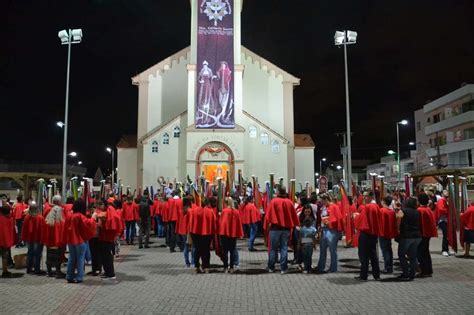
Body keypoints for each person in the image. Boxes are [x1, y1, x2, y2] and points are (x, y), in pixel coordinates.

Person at [264, 187, 300, 274]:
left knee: (273, 249)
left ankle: (271, 267)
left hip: (275, 229)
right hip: (286, 229)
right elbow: (294, 216)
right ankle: (283, 268)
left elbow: (268, 216)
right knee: (284, 248)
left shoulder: (274, 201)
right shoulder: (289, 202)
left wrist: (266, 227)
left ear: (278, 192)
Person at [64, 199, 97, 283]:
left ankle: (69, 276)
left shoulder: (69, 215)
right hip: (80, 240)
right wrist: (93, 218)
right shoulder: (79, 216)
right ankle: (79, 277)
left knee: (71, 258)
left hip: (71, 240)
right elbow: (88, 224)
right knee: (80, 259)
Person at [354, 191, 382, 281]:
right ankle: (376, 274)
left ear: (370, 196)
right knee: (373, 255)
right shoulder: (376, 206)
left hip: (366, 234)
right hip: (373, 234)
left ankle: (364, 275)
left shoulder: (368, 207)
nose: (364, 198)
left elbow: (363, 220)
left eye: (366, 196)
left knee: (364, 255)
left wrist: (355, 217)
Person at [316, 194, 343, 273]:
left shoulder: (334, 207)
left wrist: (329, 222)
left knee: (332, 250)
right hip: (324, 229)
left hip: (332, 230)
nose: (322, 203)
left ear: (326, 199)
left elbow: (338, 218)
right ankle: (321, 267)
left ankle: (333, 267)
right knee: (322, 249)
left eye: (323, 201)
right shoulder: (324, 207)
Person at [188, 197, 217, 274]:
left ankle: (196, 267)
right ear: (208, 203)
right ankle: (206, 267)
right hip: (207, 233)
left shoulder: (195, 211)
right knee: (206, 250)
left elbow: (191, 222)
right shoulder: (210, 212)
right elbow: (213, 223)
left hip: (196, 233)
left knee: (197, 250)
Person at [396, 197, 422, 281]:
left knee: (401, 254)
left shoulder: (403, 211)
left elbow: (398, 221)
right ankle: (412, 273)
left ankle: (405, 272)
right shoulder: (417, 212)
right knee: (413, 256)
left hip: (406, 236)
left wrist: (398, 231)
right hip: (417, 236)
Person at [96, 199, 122, 280]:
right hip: (104, 236)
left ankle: (110, 274)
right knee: (104, 256)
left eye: (100, 206)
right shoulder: (109, 209)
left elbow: (111, 222)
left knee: (107, 256)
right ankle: (107, 272)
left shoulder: (110, 210)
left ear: (103, 204)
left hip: (107, 237)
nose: (99, 208)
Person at [42, 195, 67, 278]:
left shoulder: (48, 219)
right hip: (58, 242)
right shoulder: (60, 221)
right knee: (58, 257)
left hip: (49, 242)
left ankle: (49, 272)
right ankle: (58, 271)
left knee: (49, 257)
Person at [219, 198, 244, 273]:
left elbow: (222, 222)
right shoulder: (236, 211)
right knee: (232, 250)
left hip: (225, 233)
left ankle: (225, 267)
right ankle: (232, 267)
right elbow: (238, 223)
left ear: (226, 203)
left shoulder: (224, 211)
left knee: (225, 251)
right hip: (233, 233)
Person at [417, 193, 438, 277]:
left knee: (421, 252)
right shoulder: (428, 209)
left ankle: (424, 270)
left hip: (422, 233)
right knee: (426, 252)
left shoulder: (420, 210)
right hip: (428, 233)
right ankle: (428, 270)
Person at [21, 202, 45, 275]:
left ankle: (29, 268)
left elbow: (24, 229)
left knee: (30, 253)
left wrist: (23, 238)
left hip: (29, 238)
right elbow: (43, 229)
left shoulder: (27, 217)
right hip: (37, 238)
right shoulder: (40, 217)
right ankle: (37, 269)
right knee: (37, 254)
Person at [379, 196, 398, 274]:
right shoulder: (392, 211)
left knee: (385, 251)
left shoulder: (382, 211)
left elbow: (380, 223)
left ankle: (388, 267)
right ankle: (390, 266)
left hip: (383, 233)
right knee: (389, 250)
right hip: (389, 233)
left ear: (383, 201)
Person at [176, 196, 195, 267]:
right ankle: (193, 261)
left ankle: (187, 262)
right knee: (193, 246)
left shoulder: (180, 211)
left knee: (185, 247)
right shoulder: (190, 211)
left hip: (182, 231)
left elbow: (178, 222)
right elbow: (190, 222)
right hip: (189, 231)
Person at [0, 205, 16, 278]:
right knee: (4, 256)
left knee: (4, 256)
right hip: (5, 242)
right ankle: (5, 271)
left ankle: (5, 271)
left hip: (3, 241)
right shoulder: (10, 219)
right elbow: (10, 231)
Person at [435, 190, 451, 256]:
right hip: (442, 220)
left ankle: (446, 249)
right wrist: (448, 210)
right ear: (442, 194)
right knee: (446, 234)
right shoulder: (441, 200)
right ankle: (444, 250)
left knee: (447, 235)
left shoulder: (447, 200)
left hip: (446, 220)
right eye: (445, 192)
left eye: (447, 192)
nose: (446, 193)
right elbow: (441, 209)